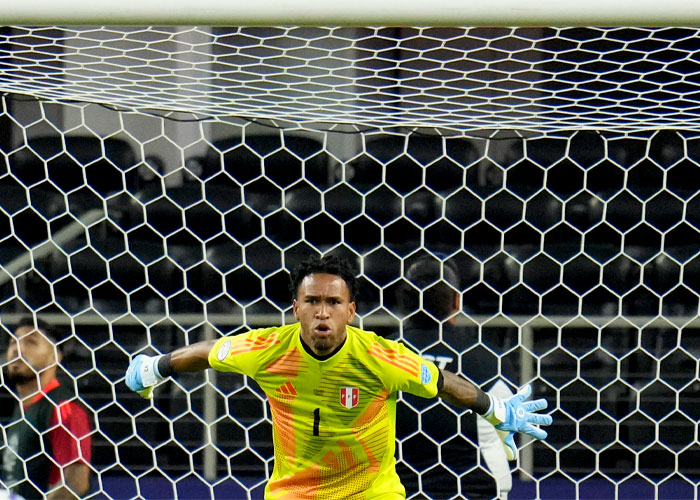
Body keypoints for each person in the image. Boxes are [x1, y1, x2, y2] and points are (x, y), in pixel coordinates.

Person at [125, 254, 551, 499]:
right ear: (296, 307)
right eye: (312, 300)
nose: (323, 311)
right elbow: (208, 352)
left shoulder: (379, 355)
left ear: (352, 311)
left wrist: (494, 407)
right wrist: (156, 366)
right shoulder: (268, 348)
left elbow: (442, 382)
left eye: (333, 301)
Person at [397, 256, 516, 499]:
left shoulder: (378, 356)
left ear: (405, 304)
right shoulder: (491, 361)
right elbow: (509, 447)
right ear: (456, 301)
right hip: (475, 494)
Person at [1, 317, 92, 499]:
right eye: (13, 341)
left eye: (31, 342)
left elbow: (76, 482)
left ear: (55, 357)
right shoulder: (21, 410)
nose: (17, 348)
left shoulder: (63, 408)